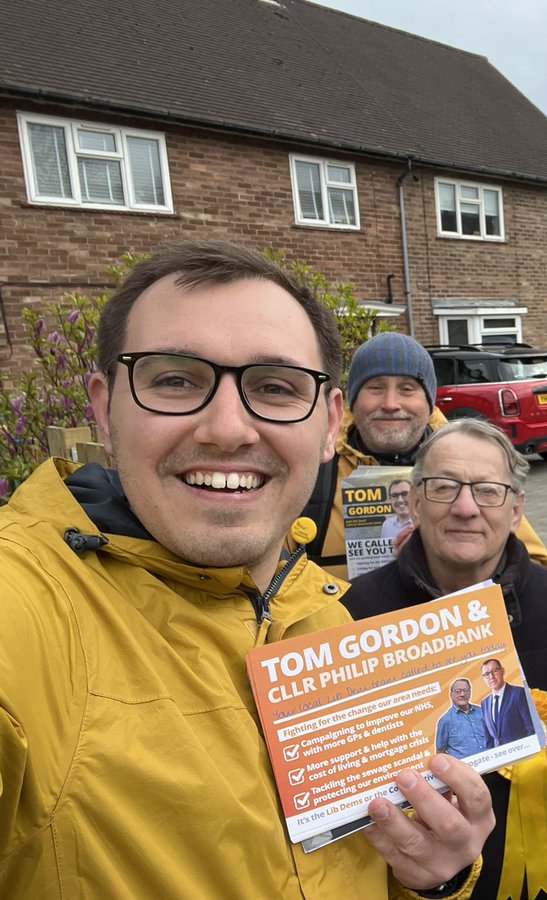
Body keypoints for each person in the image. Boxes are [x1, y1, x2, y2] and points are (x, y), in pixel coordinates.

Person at [0, 240, 493, 899]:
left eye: (275, 387)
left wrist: (430, 877)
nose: (228, 428)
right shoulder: (25, 607)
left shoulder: (322, 616)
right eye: (174, 379)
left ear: (327, 423)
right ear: (104, 406)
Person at [346, 419, 547, 899]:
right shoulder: (352, 619)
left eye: (488, 491)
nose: (466, 507)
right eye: (443, 487)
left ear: (516, 510)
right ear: (412, 502)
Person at [302, 330, 547, 578]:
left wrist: (454, 561)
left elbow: (534, 567)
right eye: (375, 387)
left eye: (407, 389)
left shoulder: (469, 462)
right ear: (352, 402)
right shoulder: (313, 471)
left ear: (429, 402)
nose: (390, 403)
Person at [479, 658, 536, 748]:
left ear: (502, 671)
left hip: (523, 754)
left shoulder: (519, 693)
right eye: (486, 674)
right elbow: (489, 739)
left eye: (494, 671)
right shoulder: (484, 703)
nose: (491, 677)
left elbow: (531, 729)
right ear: (483, 678)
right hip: (501, 758)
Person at [435, 678, 489, 760]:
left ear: (470, 693)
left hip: (493, 764)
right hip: (466, 770)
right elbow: (440, 752)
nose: (462, 694)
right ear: (451, 695)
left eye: (465, 690)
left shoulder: (483, 712)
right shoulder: (445, 721)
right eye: (458, 691)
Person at [381, 477, 416, 553]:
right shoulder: (386, 525)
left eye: (404, 494)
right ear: (390, 499)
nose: (400, 500)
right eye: (395, 495)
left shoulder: (425, 524)